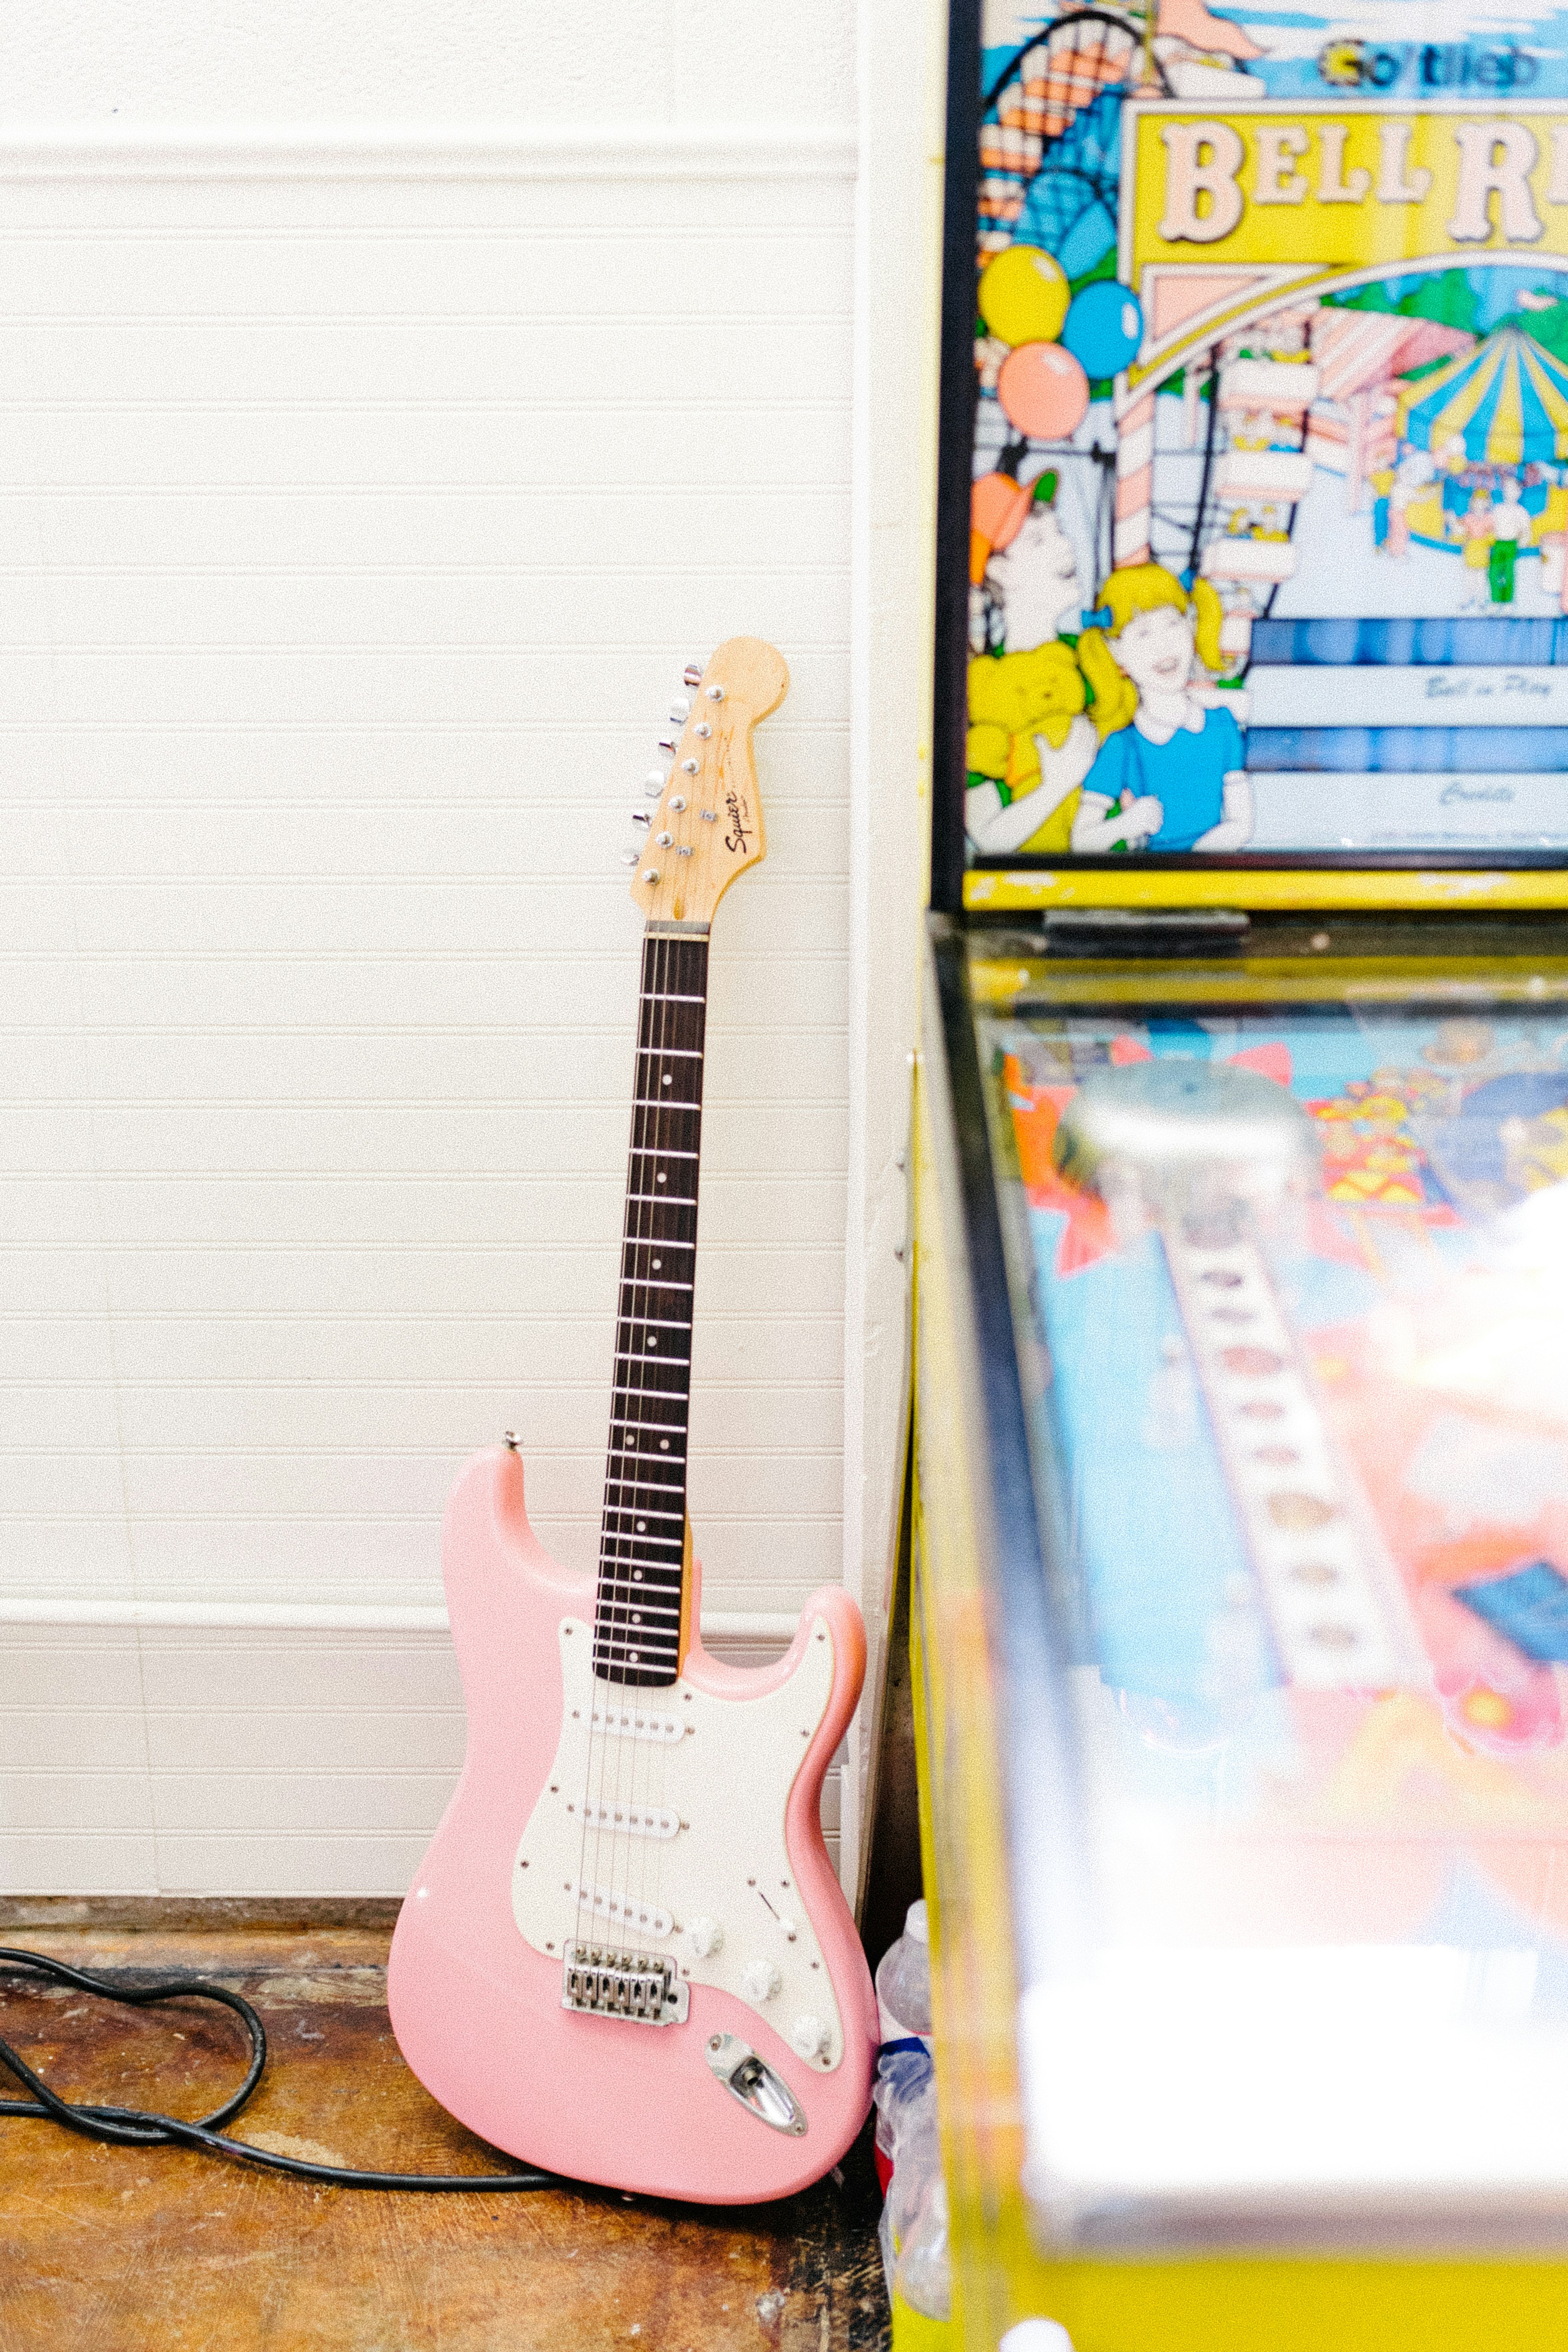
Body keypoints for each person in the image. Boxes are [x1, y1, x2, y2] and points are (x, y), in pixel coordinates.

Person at [1073, 563, 1253, 852]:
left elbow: (1242, 825)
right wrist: (1126, 825)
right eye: (1143, 634)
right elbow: (1081, 841)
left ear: (1191, 627)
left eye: (1172, 624)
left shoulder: (1222, 725)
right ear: (1116, 653)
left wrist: (1192, 867)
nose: (1165, 645)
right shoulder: (1122, 746)